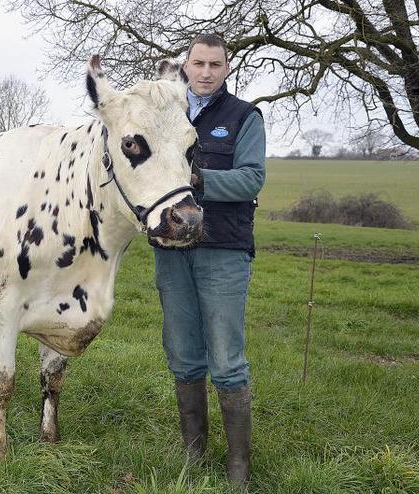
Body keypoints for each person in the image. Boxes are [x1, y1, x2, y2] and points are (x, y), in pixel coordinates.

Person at [153, 33, 266, 485]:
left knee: (226, 357)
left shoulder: (244, 117)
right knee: (182, 352)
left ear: (226, 68)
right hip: (171, 248)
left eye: (214, 65)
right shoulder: (167, 115)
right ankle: (194, 452)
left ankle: (238, 463)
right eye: (197, 63)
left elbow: (251, 179)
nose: (204, 72)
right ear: (185, 65)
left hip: (223, 250)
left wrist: (196, 180)